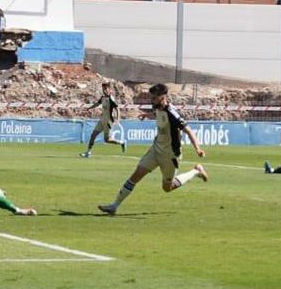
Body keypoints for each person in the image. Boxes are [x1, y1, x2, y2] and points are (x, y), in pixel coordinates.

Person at [99, 83, 207, 215]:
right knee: (136, 175)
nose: (152, 100)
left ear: (162, 97)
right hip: (156, 150)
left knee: (167, 188)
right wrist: (146, 115)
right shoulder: (158, 108)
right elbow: (157, 114)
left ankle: (196, 171)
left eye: (154, 98)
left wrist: (198, 149)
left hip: (170, 156)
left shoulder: (172, 113)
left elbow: (189, 131)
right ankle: (114, 206)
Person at [81, 81, 126, 158]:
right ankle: (88, 152)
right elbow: (97, 104)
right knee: (93, 135)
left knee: (107, 140)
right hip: (102, 119)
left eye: (105, 88)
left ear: (109, 89)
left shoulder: (111, 98)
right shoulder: (103, 98)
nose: (104, 90)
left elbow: (117, 108)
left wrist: (118, 119)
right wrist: (89, 108)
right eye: (103, 88)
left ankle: (122, 142)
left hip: (109, 121)